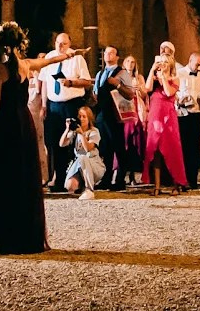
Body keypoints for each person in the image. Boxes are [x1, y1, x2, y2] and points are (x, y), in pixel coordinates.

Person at [0, 19, 73, 255]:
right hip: (24, 123)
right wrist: (68, 55)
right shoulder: (25, 65)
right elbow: (48, 60)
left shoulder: (2, 69)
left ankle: (6, 235)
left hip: (7, 126)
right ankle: (27, 235)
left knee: (5, 178)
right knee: (24, 178)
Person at [39, 32, 91, 193]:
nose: (60, 47)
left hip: (71, 104)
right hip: (54, 105)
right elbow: (45, 82)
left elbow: (87, 82)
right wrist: (44, 104)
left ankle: (73, 178)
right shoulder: (50, 57)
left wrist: (71, 82)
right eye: (58, 43)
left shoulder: (77, 59)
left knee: (71, 141)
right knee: (53, 142)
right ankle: (57, 177)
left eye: (64, 44)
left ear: (70, 44)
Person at [141, 54, 189, 194]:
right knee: (154, 151)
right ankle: (156, 186)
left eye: (165, 62)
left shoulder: (175, 79)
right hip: (155, 116)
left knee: (172, 149)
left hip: (168, 118)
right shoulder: (155, 79)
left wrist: (163, 77)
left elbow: (168, 92)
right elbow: (147, 88)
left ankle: (176, 184)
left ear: (170, 64)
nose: (162, 64)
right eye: (160, 62)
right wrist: (152, 70)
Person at [90, 45, 125, 189]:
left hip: (115, 114)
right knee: (105, 148)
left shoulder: (122, 73)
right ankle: (106, 178)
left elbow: (129, 92)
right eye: (106, 53)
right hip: (102, 113)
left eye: (112, 53)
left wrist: (117, 85)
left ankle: (120, 180)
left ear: (117, 57)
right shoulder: (100, 73)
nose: (108, 55)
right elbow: (96, 92)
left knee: (118, 146)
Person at [108, 54, 145, 188]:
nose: (130, 63)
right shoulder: (120, 76)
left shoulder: (138, 78)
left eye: (133, 61)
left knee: (136, 142)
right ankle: (119, 173)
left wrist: (139, 88)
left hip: (136, 110)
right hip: (123, 110)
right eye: (128, 61)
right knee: (124, 142)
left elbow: (145, 93)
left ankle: (133, 174)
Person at [60, 104, 105, 198]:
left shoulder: (94, 131)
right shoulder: (74, 132)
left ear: (89, 119)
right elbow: (62, 144)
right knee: (70, 186)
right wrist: (67, 129)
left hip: (93, 163)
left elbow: (87, 149)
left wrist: (81, 134)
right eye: (80, 116)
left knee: (83, 158)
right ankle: (82, 186)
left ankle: (89, 189)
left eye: (84, 116)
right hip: (80, 165)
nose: (82, 119)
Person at [177, 51, 200, 180]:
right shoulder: (179, 73)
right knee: (182, 145)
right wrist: (179, 101)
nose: (199, 68)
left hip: (195, 113)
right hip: (181, 114)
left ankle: (193, 178)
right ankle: (181, 178)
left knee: (194, 146)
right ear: (190, 61)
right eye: (197, 65)